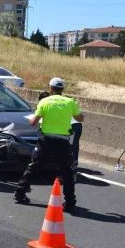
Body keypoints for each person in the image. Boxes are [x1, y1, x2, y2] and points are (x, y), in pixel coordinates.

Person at [15, 77, 84, 213]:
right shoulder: (70, 102)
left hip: (46, 141)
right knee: (67, 172)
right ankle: (70, 202)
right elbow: (80, 118)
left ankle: (20, 192)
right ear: (62, 89)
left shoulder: (45, 101)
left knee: (34, 166)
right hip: (63, 141)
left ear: (51, 88)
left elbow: (33, 122)